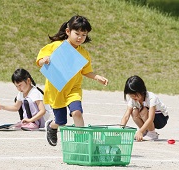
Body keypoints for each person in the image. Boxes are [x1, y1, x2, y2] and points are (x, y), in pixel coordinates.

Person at [36, 15, 108, 146]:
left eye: (84, 34)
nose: (80, 37)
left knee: (77, 113)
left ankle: (83, 143)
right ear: (68, 31)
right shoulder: (56, 46)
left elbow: (86, 71)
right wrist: (44, 60)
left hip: (73, 90)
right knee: (61, 121)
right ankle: (52, 127)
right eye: (77, 33)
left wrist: (97, 77)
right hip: (56, 90)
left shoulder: (84, 53)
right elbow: (39, 61)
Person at [120, 75, 169, 141]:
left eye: (135, 95)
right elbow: (126, 116)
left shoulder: (151, 98)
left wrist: (139, 131)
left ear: (141, 91)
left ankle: (152, 133)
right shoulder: (133, 100)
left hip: (161, 119)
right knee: (134, 111)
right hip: (149, 118)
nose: (134, 98)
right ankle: (145, 132)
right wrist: (120, 130)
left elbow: (151, 118)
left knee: (143, 111)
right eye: (131, 96)